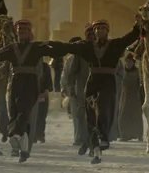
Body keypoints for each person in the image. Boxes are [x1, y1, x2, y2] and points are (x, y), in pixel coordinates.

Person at [48, 17, 142, 164]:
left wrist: (138, 25)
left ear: (107, 30)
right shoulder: (87, 46)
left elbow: (129, 38)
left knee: (103, 109)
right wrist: (52, 45)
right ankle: (96, 151)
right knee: (90, 116)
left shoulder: (115, 45)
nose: (99, 31)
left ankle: (103, 137)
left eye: (102, 28)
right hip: (92, 82)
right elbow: (70, 47)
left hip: (108, 82)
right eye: (97, 29)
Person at [0, 19, 67, 163]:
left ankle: (22, 145)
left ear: (29, 32)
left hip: (31, 84)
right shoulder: (11, 48)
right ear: (16, 31)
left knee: (25, 115)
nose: (22, 32)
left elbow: (50, 60)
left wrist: (43, 88)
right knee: (13, 114)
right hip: (14, 84)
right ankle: (20, 148)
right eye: (20, 30)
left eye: (25, 30)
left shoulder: (37, 47)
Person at [65, 31, 91, 155]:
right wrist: (69, 88)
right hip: (80, 89)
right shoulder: (77, 55)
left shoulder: (102, 49)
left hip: (98, 88)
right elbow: (69, 73)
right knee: (79, 115)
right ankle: (81, 139)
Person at [118, 53, 143, 141]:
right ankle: (125, 135)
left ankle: (138, 134)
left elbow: (140, 84)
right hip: (124, 96)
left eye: (130, 62)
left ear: (133, 62)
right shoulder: (122, 71)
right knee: (124, 115)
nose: (128, 63)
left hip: (135, 97)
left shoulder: (137, 72)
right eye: (127, 62)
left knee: (136, 116)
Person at [35, 60, 53, 143]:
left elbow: (48, 81)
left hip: (42, 93)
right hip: (31, 94)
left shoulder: (45, 66)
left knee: (42, 115)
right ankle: (32, 135)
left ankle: (40, 134)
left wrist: (45, 92)